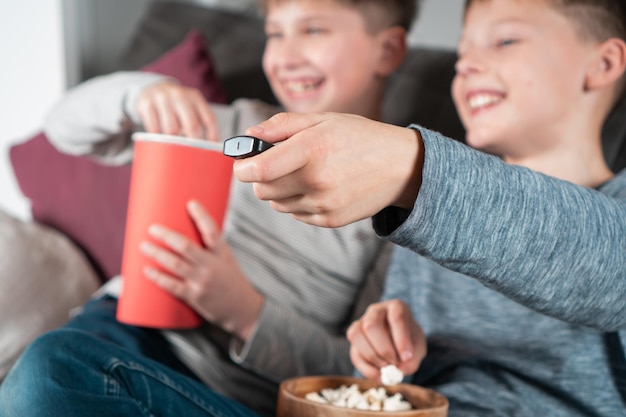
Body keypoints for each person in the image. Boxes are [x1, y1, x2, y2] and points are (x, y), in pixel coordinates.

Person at [0, 1, 417, 416]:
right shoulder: (232, 126)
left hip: (218, 387)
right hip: (117, 328)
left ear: (388, 51)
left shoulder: (399, 196)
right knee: (47, 369)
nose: (285, 57)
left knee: (47, 374)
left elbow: (361, 374)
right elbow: (63, 129)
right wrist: (140, 94)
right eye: (275, 33)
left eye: (313, 31)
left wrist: (244, 313)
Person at [232, 0, 626, 415]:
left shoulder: (423, 193)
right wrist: (389, 351)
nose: (467, 64)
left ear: (602, 64)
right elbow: (385, 385)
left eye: (505, 41)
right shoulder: (416, 222)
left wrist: (416, 170)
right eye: (463, 51)